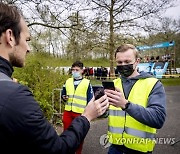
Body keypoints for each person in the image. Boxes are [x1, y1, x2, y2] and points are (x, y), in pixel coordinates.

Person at [0, 2, 109, 154]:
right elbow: (57, 149)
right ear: (10, 37)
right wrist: (87, 116)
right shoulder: (15, 96)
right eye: (27, 40)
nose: (29, 48)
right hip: (73, 115)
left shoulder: (9, 90)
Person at [105, 44, 166, 154]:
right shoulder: (114, 84)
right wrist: (101, 107)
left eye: (127, 61)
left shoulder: (153, 84)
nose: (123, 65)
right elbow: (108, 114)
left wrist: (126, 105)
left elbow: (158, 119)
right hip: (115, 147)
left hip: (139, 150)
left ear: (137, 61)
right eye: (119, 62)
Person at [61, 61, 94, 154]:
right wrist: (63, 97)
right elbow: (63, 93)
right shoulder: (67, 81)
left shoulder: (87, 83)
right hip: (68, 111)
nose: (74, 72)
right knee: (67, 133)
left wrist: (88, 114)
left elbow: (90, 99)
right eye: (73, 70)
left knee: (78, 135)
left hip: (80, 113)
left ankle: (78, 152)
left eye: (77, 70)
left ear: (82, 71)